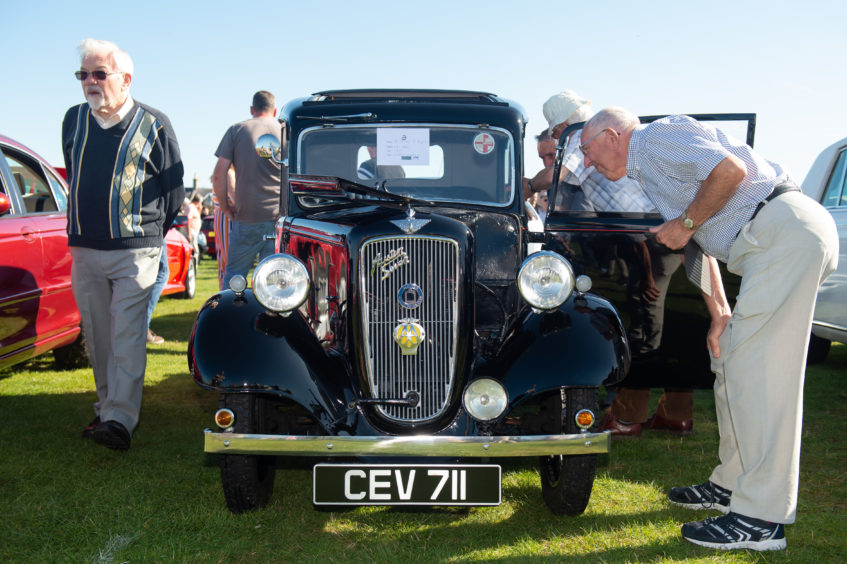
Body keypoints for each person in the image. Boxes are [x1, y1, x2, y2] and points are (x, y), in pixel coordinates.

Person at [580, 107, 838, 551]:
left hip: (781, 233)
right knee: (731, 363)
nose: (587, 163)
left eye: (586, 150)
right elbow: (698, 244)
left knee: (763, 378)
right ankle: (731, 483)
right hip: (770, 238)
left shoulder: (655, 137)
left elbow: (729, 171)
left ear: (610, 134)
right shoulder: (649, 167)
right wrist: (719, 313)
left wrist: (684, 223)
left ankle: (760, 519)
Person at [533, 91, 691, 436]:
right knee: (675, 321)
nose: (559, 138)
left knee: (641, 322)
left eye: (556, 131)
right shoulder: (595, 136)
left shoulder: (579, 137)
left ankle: (628, 416)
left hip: (646, 236)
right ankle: (675, 413)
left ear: (563, 124)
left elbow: (557, 177)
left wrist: (527, 185)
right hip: (659, 232)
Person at [62, 38, 184, 450]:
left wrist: (146, 233)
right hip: (84, 249)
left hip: (136, 250)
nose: (89, 82)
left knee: (127, 334)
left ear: (125, 79)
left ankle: (119, 420)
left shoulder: (155, 124)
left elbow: (174, 193)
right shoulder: (73, 120)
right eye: (83, 74)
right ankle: (105, 409)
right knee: (97, 335)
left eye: (99, 73)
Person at [211, 91, 282, 288]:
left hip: (246, 217)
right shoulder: (285, 132)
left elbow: (219, 175)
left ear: (252, 109)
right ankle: (270, 317)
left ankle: (230, 317)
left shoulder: (237, 130)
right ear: (274, 110)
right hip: (278, 218)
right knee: (272, 280)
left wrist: (225, 207)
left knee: (234, 277)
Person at [212, 166, 235, 290]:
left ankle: (224, 291)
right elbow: (234, 197)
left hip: (224, 216)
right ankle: (227, 292)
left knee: (224, 261)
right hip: (228, 218)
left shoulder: (227, 172)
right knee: (229, 261)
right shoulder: (229, 173)